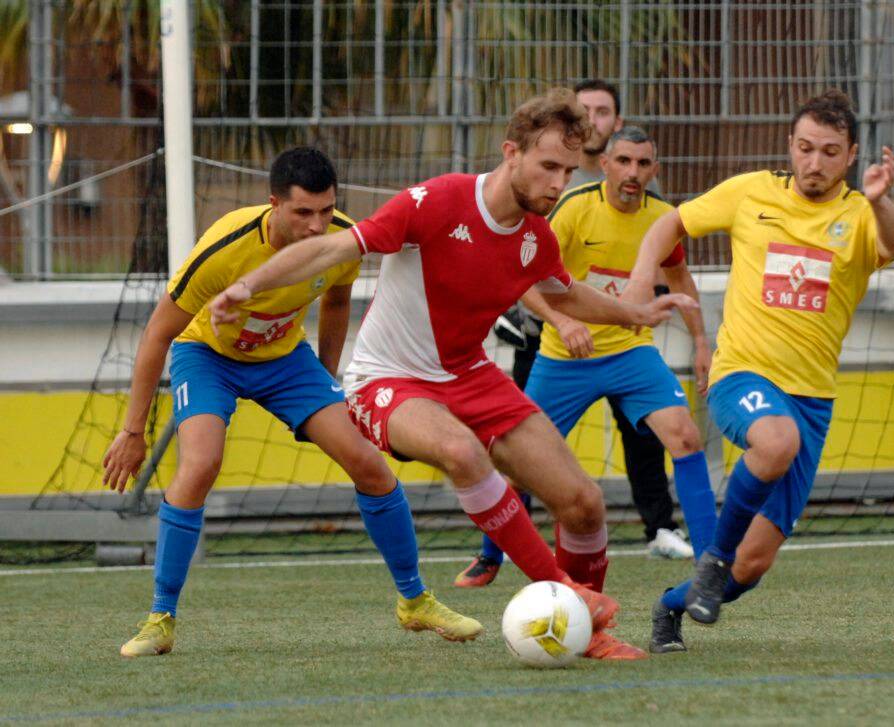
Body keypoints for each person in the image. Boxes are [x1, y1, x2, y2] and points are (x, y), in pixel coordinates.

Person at [208, 89, 699, 660]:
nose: (558, 183)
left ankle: (584, 634)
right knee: (460, 451)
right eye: (548, 167)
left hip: (470, 375)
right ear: (511, 152)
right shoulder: (435, 201)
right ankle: (566, 593)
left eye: (568, 171)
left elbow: (566, 292)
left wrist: (636, 313)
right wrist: (247, 286)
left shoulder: (535, 237)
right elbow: (329, 250)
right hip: (387, 378)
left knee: (584, 502)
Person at [103, 147, 482, 658]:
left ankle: (415, 601)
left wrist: (325, 381)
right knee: (201, 464)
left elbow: (337, 301)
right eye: (303, 212)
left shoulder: (343, 240)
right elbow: (157, 334)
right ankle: (160, 619)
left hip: (285, 360)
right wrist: (133, 432)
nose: (317, 225)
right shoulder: (224, 250)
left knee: (368, 463)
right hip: (208, 356)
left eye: (326, 210)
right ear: (274, 204)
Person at [627, 90, 894, 653]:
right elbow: (670, 224)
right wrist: (641, 279)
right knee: (775, 442)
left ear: (851, 154)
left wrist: (880, 201)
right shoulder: (750, 191)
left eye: (829, 152)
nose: (814, 162)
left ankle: (670, 606)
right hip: (742, 374)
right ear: (790, 145)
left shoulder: (861, 214)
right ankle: (712, 559)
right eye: (805, 148)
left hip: (813, 401)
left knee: (751, 567)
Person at [456, 126, 718, 590]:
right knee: (521, 460)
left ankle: (712, 561)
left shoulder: (663, 218)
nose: (633, 172)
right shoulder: (574, 208)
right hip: (563, 359)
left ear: (654, 170)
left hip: (631, 353)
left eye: (643, 163)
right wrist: (562, 322)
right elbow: (522, 275)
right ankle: (489, 556)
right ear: (604, 165)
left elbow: (680, 278)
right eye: (624, 161)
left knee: (685, 436)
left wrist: (701, 342)